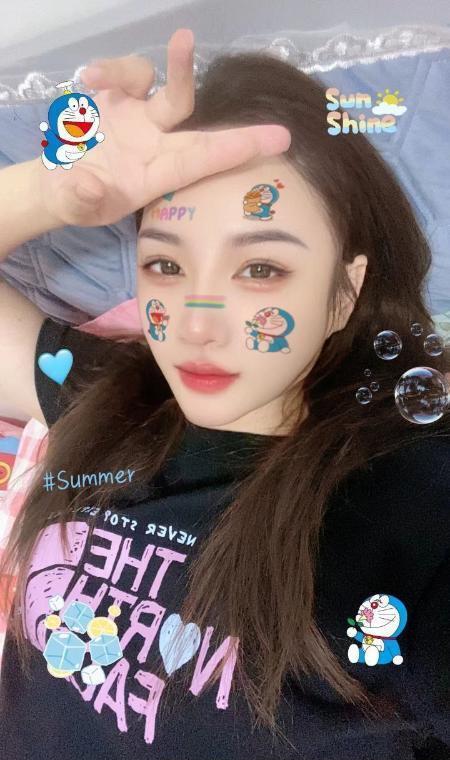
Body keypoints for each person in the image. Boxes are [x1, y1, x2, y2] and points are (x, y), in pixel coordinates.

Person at [0, 26, 449, 760]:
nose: (195, 327)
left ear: (344, 293)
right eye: (166, 266)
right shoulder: (106, 397)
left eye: (260, 270)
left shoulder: (417, 503)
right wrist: (51, 187)